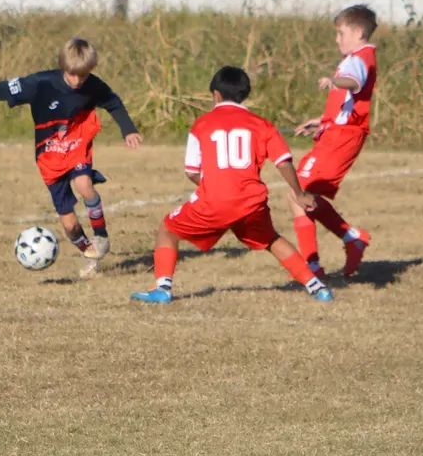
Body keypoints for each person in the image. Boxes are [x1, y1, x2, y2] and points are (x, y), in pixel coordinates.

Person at [0, 38, 143, 277]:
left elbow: (113, 102)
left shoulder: (93, 85)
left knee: (84, 184)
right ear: (62, 67)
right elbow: (1, 89)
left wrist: (128, 129)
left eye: (83, 75)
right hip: (49, 155)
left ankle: (101, 236)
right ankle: (90, 255)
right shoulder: (39, 83)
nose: (78, 81)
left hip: (75, 142)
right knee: (69, 224)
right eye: (72, 75)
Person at [131, 66, 333, 304]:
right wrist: (299, 193)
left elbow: (191, 171)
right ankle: (317, 288)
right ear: (245, 94)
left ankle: (163, 289)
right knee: (271, 240)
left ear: (216, 95)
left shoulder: (202, 124)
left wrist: (215, 185)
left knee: (168, 229)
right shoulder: (262, 124)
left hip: (213, 202)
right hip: (250, 203)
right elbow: (283, 162)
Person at [288, 5, 377, 278]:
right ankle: (344, 243)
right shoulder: (358, 57)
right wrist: (323, 120)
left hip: (342, 136)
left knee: (299, 191)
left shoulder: (359, 58)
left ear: (358, 32)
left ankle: (315, 264)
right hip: (337, 131)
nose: (337, 40)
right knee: (301, 193)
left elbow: (353, 82)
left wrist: (335, 81)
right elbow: (349, 102)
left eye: (341, 33)